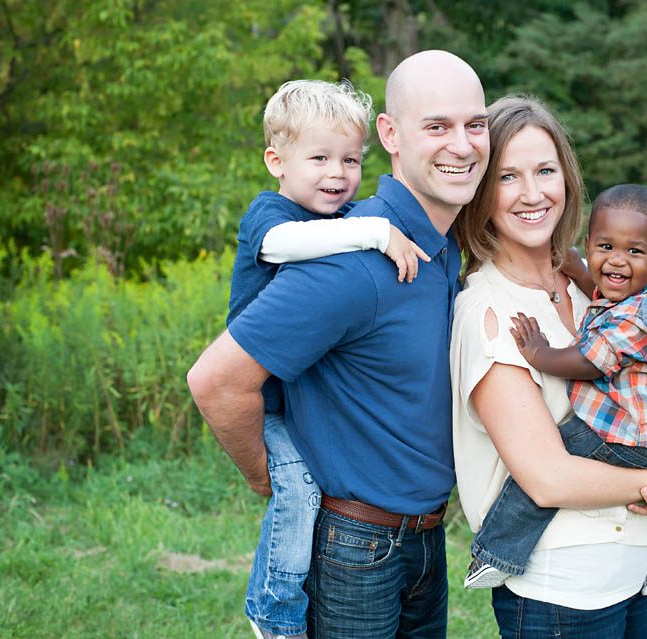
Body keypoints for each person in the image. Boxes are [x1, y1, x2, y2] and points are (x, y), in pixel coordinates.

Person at [187, 50, 490, 639]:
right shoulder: (352, 260)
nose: (462, 143)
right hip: (357, 549)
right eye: (437, 126)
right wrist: (265, 475)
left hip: (426, 539)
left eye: (473, 124)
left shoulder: (443, 243)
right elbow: (216, 381)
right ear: (391, 134)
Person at [451, 95, 647, 638]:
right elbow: (546, 479)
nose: (532, 193)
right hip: (559, 595)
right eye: (507, 177)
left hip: (630, 575)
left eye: (545, 170)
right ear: (480, 192)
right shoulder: (490, 312)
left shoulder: (600, 287)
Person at [225, 79, 430, 639]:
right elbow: (282, 247)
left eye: (350, 159)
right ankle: (274, 610)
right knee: (299, 489)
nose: (337, 173)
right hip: (266, 403)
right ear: (276, 161)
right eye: (319, 158)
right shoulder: (269, 213)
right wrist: (376, 230)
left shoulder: (338, 222)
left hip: (299, 403)